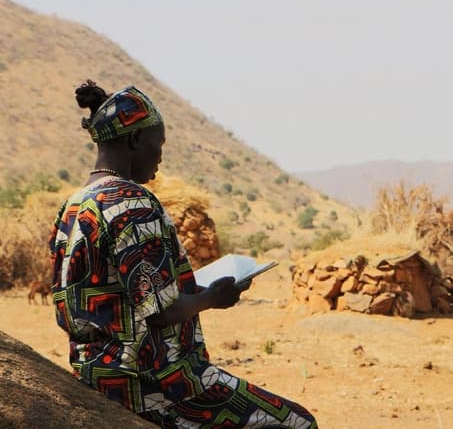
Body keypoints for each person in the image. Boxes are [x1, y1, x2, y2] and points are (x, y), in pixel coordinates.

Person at [50, 80, 317, 428]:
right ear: (134, 140)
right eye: (157, 144)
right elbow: (161, 313)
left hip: (94, 369)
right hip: (153, 381)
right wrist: (213, 296)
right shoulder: (131, 204)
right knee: (296, 422)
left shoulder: (73, 205)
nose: (160, 156)